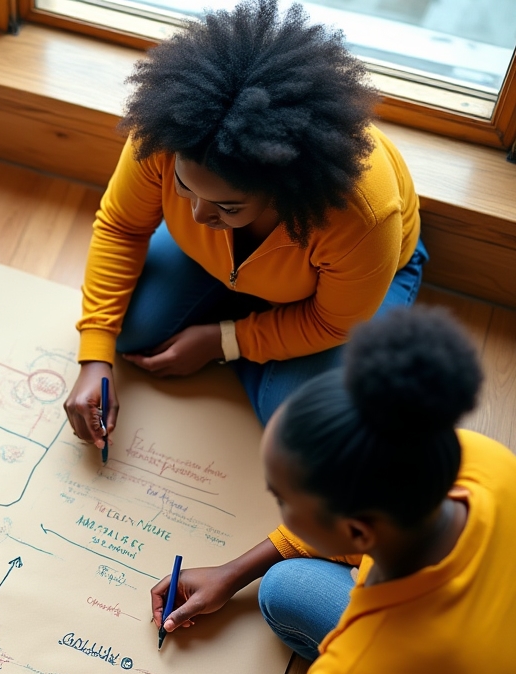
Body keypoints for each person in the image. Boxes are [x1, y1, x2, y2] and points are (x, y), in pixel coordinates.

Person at [79, 306, 516, 674]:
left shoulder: (372, 669)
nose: (276, 510)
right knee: (283, 586)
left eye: (283, 500)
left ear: (359, 530)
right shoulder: (479, 464)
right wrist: (238, 571)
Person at [65, 0, 425, 444]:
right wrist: (94, 356)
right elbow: (122, 227)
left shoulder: (361, 216)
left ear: (284, 189)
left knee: (297, 426)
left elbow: (334, 323)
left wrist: (223, 342)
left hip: (356, 287)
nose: (197, 215)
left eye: (227, 207)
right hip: (221, 264)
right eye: (183, 186)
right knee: (130, 334)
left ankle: (247, 321)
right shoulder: (169, 132)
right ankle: (248, 306)